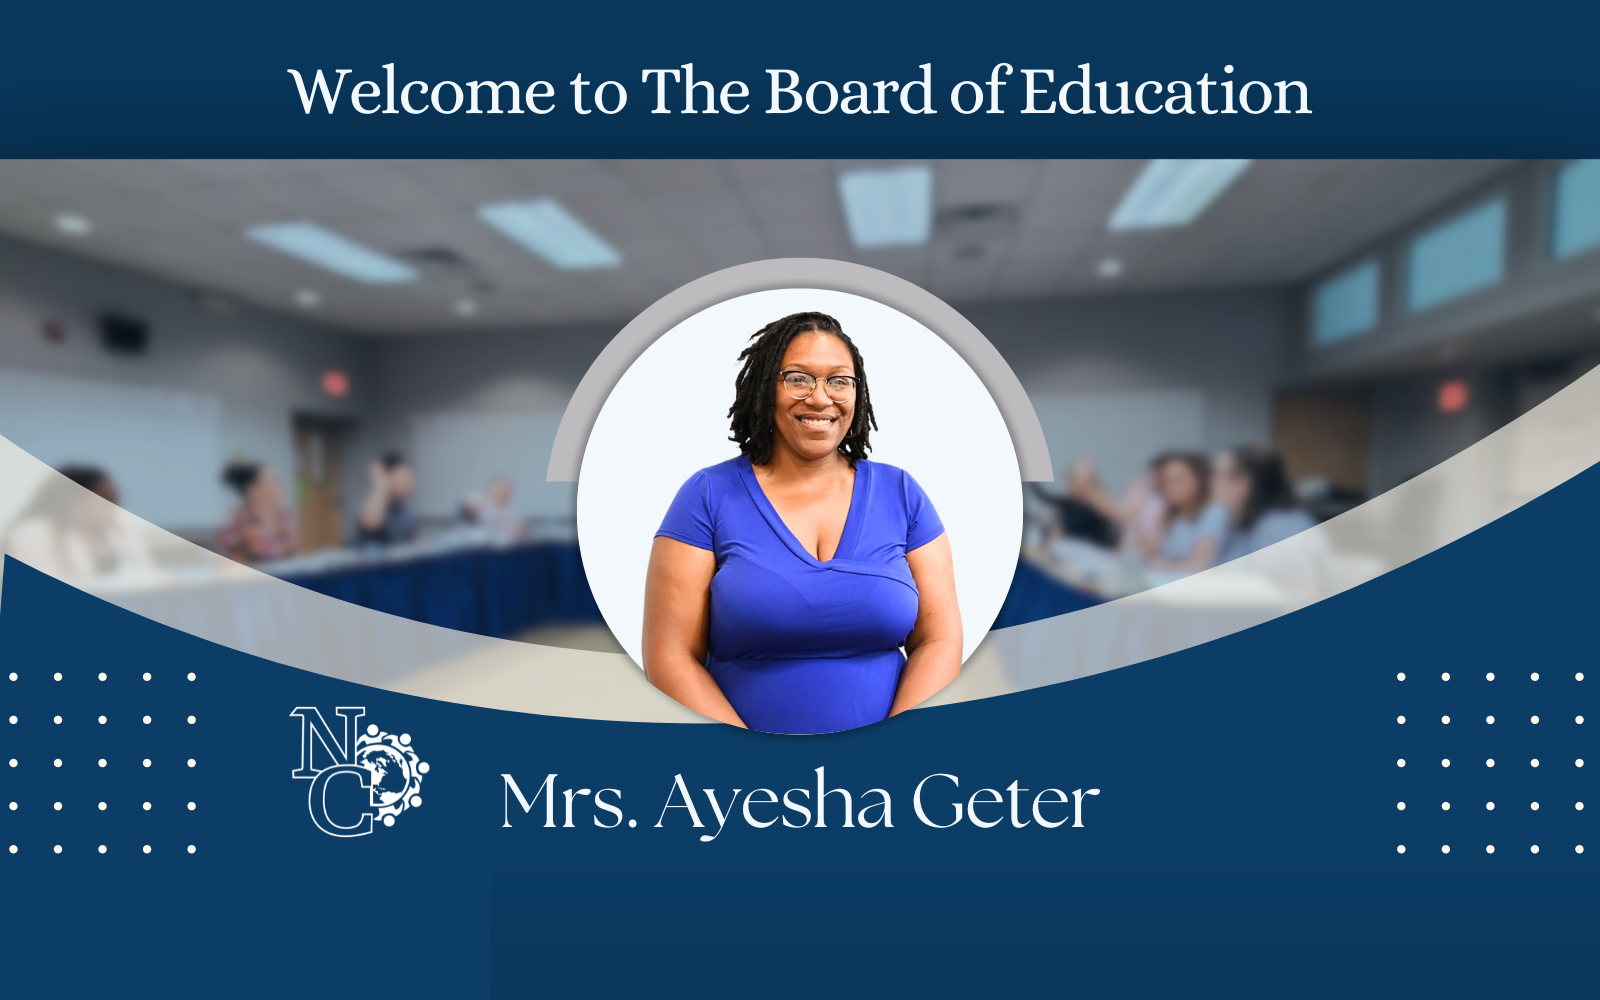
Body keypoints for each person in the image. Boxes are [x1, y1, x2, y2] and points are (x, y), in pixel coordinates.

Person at [643, 311, 962, 735]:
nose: (819, 398)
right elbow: (670, 657)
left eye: (838, 381)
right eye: (798, 378)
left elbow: (940, 640)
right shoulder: (707, 495)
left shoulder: (901, 492)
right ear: (765, 389)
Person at [3, 465, 150, 582]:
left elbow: (145, 575)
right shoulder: (33, 533)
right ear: (75, 498)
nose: (114, 505)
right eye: (105, 498)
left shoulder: (120, 529)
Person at [1213, 446, 1317, 562]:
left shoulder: (1280, 530)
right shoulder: (1241, 522)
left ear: (1242, 484)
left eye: (1218, 475)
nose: (1211, 482)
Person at [1138, 451, 1227, 573]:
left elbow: (1199, 565)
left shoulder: (1214, 513)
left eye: (1177, 480)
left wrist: (1162, 566)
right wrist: (1135, 510)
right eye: (1165, 480)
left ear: (1200, 480)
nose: (1169, 486)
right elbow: (1149, 553)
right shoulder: (1171, 513)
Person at [216, 460, 298, 562]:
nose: (281, 486)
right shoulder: (236, 522)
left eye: (279, 480)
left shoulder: (284, 517)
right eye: (274, 481)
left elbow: (293, 554)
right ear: (252, 490)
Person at [357, 452, 419, 544]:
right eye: (403, 480)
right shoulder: (369, 505)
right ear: (387, 477)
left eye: (410, 481)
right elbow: (371, 523)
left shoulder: (406, 513)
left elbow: (418, 541)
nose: (409, 487)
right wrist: (380, 483)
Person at [460, 474, 526, 543]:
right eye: (501, 487)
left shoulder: (511, 511)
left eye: (507, 489)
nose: (503, 491)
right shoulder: (477, 497)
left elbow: (521, 530)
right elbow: (465, 513)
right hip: (473, 538)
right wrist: (473, 509)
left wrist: (519, 530)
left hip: (499, 543)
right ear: (493, 486)